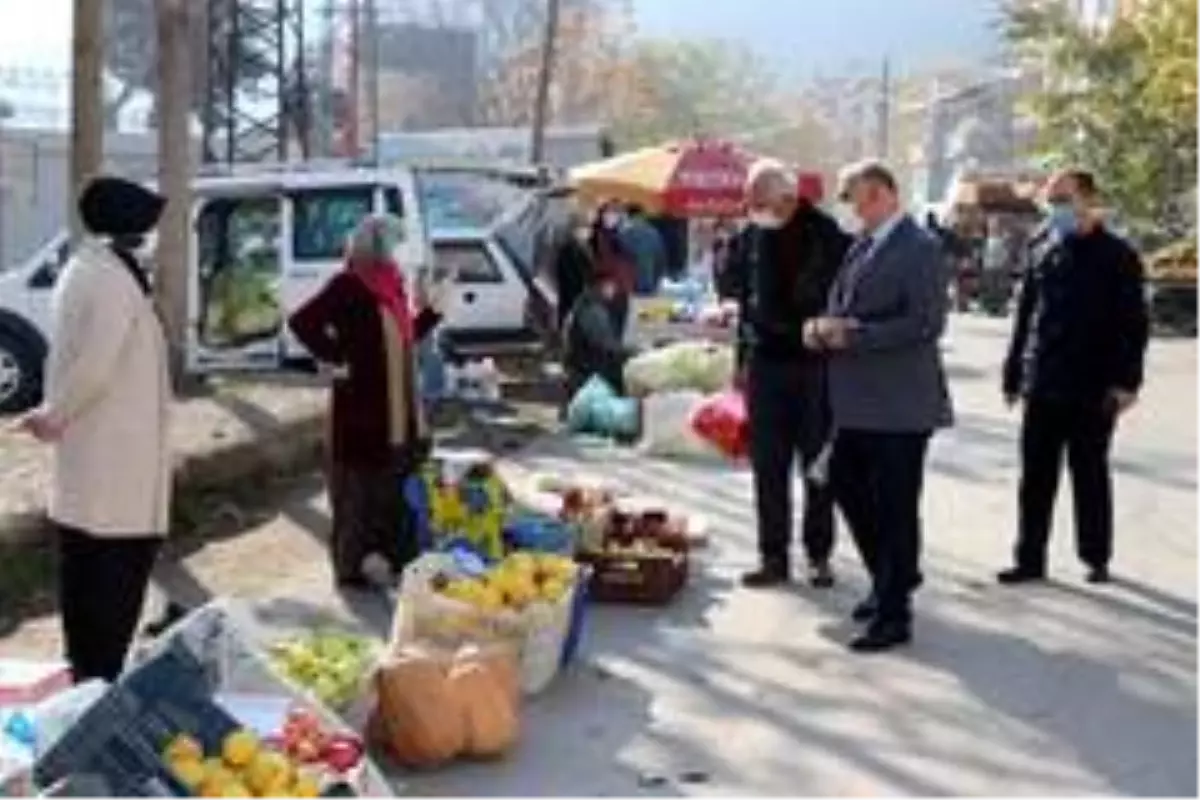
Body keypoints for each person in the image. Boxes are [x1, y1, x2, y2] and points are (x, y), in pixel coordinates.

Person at [18, 176, 171, 682]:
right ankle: (95, 688)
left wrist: (56, 412)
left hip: (107, 460)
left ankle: (91, 681)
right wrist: (54, 413)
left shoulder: (98, 269)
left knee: (92, 578)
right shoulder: (105, 278)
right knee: (109, 580)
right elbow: (95, 365)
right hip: (115, 464)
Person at [806, 160, 952, 653]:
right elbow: (843, 305)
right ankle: (889, 579)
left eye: (860, 198)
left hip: (900, 403)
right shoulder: (863, 246)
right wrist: (822, 327)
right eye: (849, 200)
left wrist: (856, 334)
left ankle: (895, 615)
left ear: (887, 194)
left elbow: (926, 323)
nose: (854, 209)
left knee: (895, 508)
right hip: (855, 401)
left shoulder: (921, 248)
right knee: (841, 481)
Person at [997, 169, 1149, 586]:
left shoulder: (1118, 256)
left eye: (1063, 200)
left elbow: (1133, 326)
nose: (1055, 209)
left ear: (1088, 199)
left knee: (1089, 472)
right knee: (1036, 477)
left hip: (1093, 384)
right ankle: (1029, 558)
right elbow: (1026, 315)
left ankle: (1095, 556)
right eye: (1051, 201)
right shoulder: (1042, 246)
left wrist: (1126, 383)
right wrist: (1013, 373)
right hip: (1043, 379)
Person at [288, 215, 444, 589]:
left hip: (401, 413)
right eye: (391, 246)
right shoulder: (348, 284)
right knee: (357, 494)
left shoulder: (392, 285)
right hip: (362, 415)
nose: (396, 254)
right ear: (374, 248)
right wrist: (336, 356)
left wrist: (434, 312)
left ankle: (398, 559)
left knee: (396, 492)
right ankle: (351, 569)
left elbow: (404, 340)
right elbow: (302, 322)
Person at [737, 160, 851, 590]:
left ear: (788, 198)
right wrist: (740, 364)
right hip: (766, 364)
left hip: (814, 366)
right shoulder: (752, 234)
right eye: (750, 203)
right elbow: (744, 302)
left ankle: (819, 555)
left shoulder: (828, 235)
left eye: (760, 202)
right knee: (768, 466)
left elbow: (846, 298)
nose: (754, 210)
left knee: (817, 467)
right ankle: (772, 556)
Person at [562, 264, 634, 399]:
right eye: (611, 285)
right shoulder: (592, 309)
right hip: (587, 370)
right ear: (601, 285)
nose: (613, 290)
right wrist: (633, 353)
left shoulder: (586, 303)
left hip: (581, 365)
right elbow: (607, 345)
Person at [588, 201, 636, 339]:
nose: (611, 217)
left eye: (616, 213)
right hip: (605, 287)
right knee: (605, 329)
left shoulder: (621, 236)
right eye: (608, 213)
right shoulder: (596, 237)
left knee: (617, 328)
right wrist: (605, 281)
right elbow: (596, 263)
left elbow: (629, 262)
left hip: (622, 288)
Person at [618, 203, 669, 295]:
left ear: (628, 217)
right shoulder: (654, 233)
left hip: (630, 285)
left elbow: (621, 259)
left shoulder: (624, 235)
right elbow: (661, 259)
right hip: (650, 284)